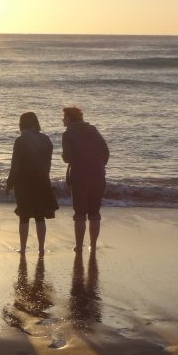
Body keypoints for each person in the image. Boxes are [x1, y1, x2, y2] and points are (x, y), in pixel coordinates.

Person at [5, 111, 56, 253]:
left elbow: (15, 165)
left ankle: (22, 248)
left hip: (23, 182)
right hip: (42, 181)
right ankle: (41, 248)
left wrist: (9, 183)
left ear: (22, 124)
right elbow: (48, 164)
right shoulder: (46, 140)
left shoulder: (20, 141)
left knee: (24, 216)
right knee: (40, 216)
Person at [61, 106, 109, 252]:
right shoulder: (92, 130)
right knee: (94, 212)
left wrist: (64, 157)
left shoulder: (67, 134)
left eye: (64, 117)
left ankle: (79, 245)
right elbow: (105, 151)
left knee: (80, 213)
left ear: (69, 118)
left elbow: (68, 157)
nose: (62, 119)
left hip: (79, 176)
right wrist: (99, 165)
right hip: (98, 175)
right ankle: (93, 245)